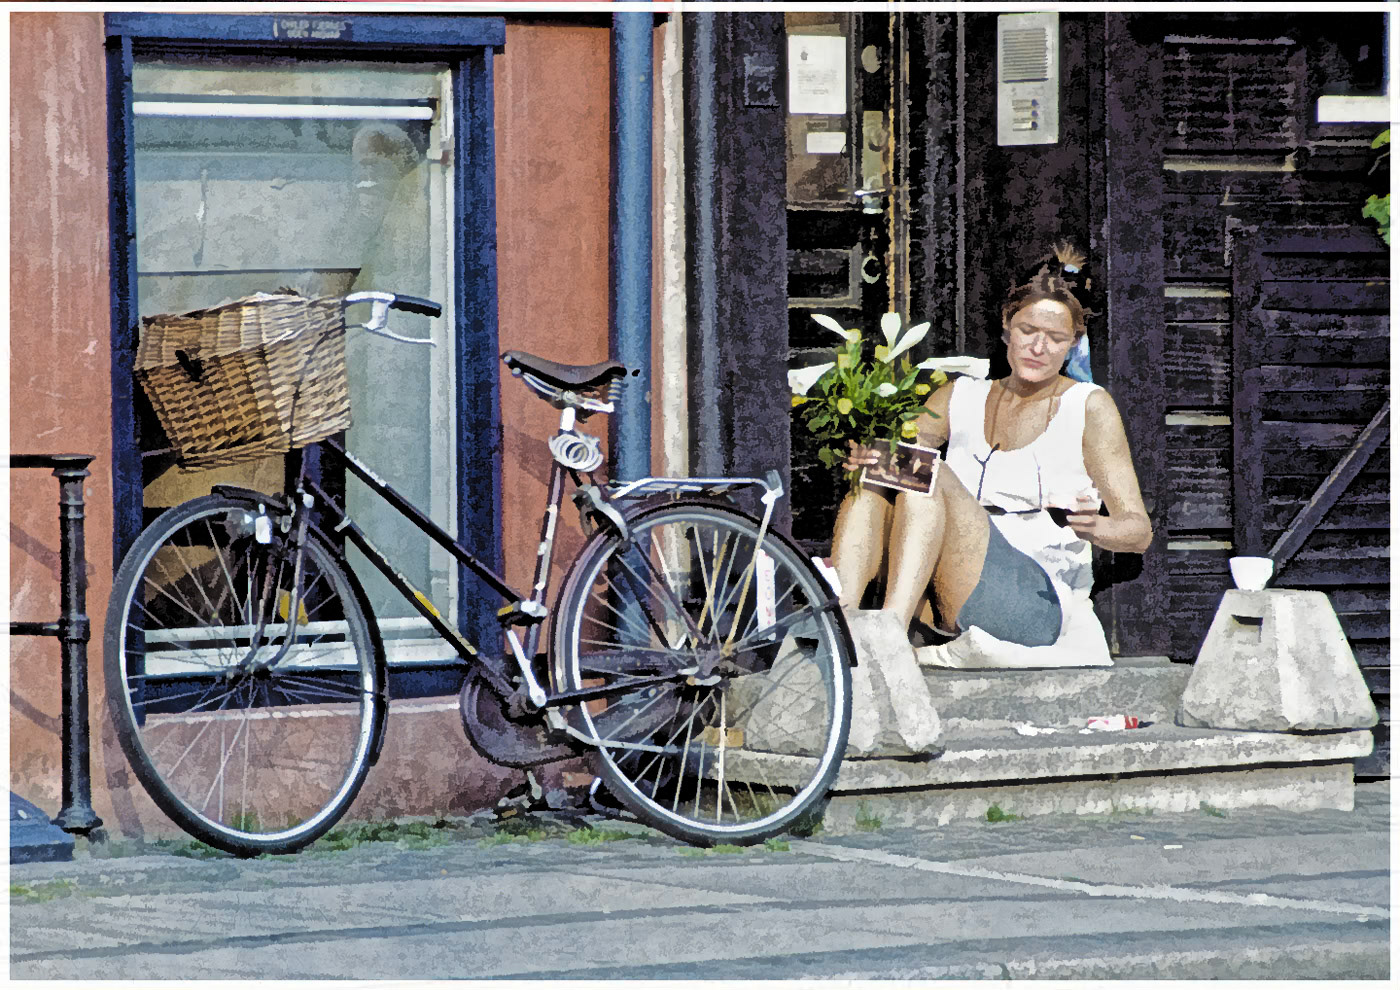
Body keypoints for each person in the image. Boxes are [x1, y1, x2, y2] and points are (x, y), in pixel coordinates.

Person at [830, 242, 1152, 668]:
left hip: (1032, 605)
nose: (1038, 347)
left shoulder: (1088, 406)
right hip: (946, 588)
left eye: (1055, 338)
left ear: (1073, 343)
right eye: (1027, 331)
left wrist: (1096, 527)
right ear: (1007, 327)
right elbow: (897, 462)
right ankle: (841, 623)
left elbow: (1138, 532)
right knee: (876, 477)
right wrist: (868, 459)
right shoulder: (961, 394)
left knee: (925, 471)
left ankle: (889, 634)